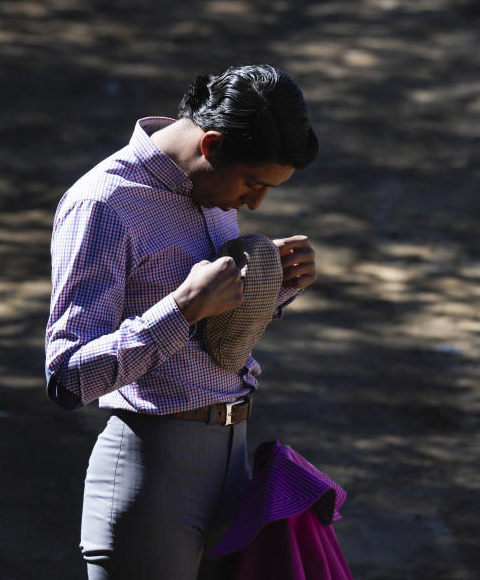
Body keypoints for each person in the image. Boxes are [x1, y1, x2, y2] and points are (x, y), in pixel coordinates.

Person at [45, 64, 319, 580]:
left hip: (234, 459)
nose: (256, 203)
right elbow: (68, 378)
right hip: (152, 470)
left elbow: (211, 346)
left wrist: (271, 286)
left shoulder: (211, 189)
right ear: (211, 144)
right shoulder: (102, 203)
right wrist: (181, 307)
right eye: (253, 183)